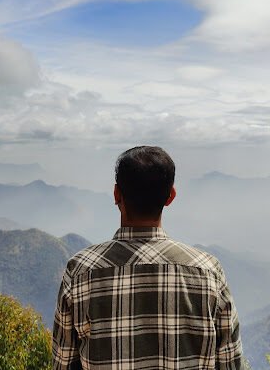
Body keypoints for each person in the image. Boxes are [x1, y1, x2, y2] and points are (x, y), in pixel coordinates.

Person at [52, 145, 242, 369]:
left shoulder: (80, 272)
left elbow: (62, 363)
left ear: (116, 194)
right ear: (171, 196)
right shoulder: (209, 272)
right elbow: (230, 363)